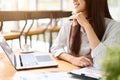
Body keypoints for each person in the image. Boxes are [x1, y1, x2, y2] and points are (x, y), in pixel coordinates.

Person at [50, 0, 120, 68]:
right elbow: (55, 48)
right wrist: (72, 59)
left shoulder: (114, 27)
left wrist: (86, 25)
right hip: (72, 71)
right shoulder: (70, 23)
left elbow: (102, 62)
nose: (74, 0)